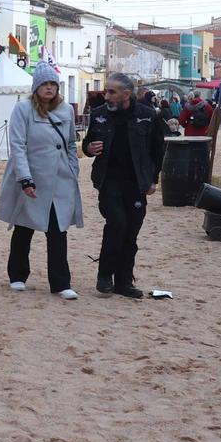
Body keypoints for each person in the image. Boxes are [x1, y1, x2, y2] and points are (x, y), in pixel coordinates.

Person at [0, 63, 83, 299]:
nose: (49, 88)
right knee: (24, 227)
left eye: (53, 84)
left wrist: (73, 170)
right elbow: (18, 145)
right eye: (45, 84)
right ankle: (17, 276)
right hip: (32, 176)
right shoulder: (23, 109)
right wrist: (25, 178)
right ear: (36, 87)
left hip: (60, 179)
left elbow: (71, 144)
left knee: (58, 230)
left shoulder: (65, 110)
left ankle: (60, 282)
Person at [83, 71, 165, 297]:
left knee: (131, 232)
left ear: (126, 94)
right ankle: (104, 275)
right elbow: (88, 143)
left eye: (112, 92)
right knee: (117, 223)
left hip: (137, 182)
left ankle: (124, 281)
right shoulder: (99, 114)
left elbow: (158, 150)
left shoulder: (148, 116)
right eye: (106, 91)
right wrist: (89, 149)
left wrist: (154, 179)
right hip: (108, 180)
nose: (106, 96)